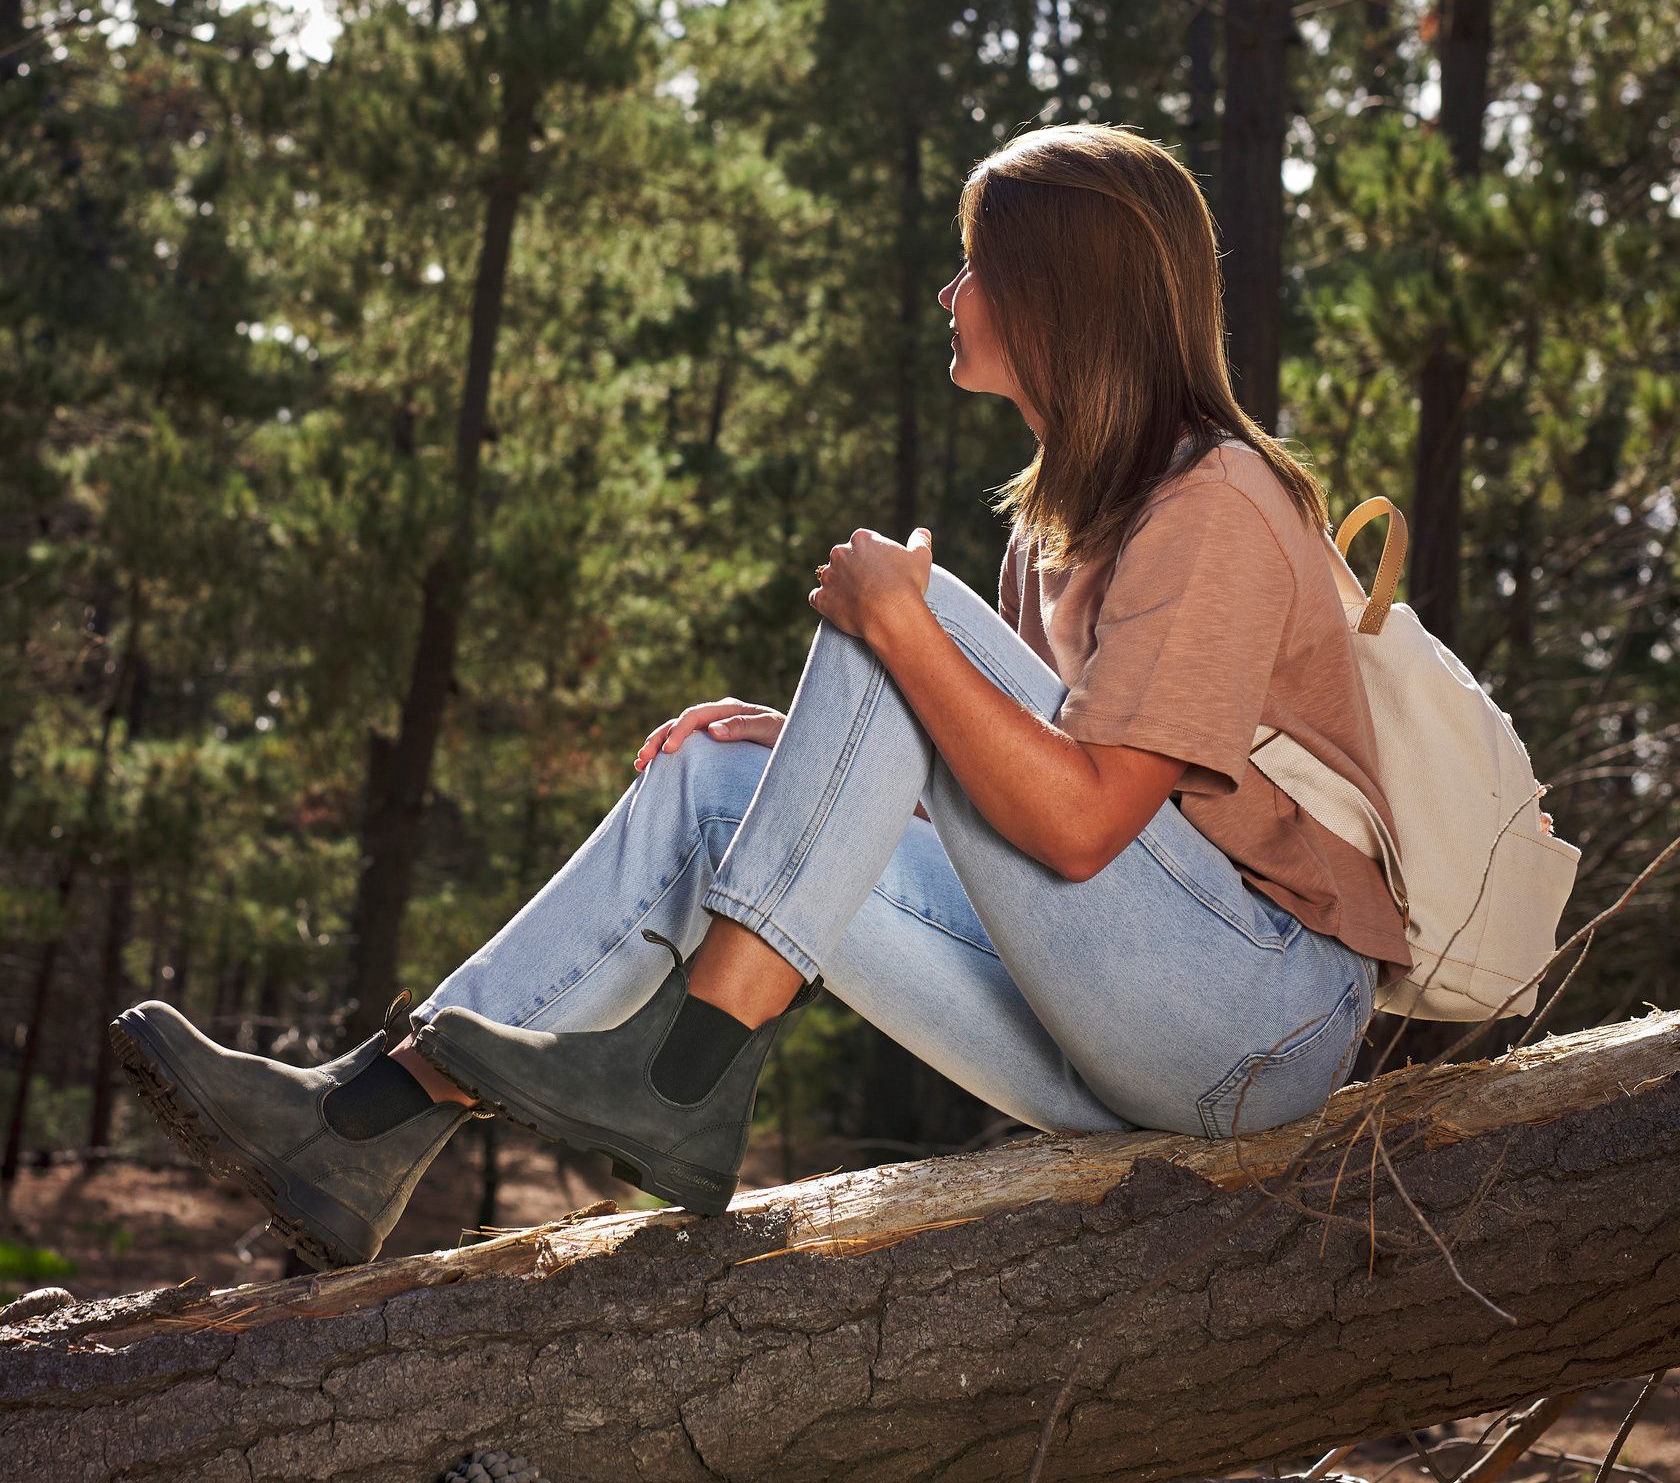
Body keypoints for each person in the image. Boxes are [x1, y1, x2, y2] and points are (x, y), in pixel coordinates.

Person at [111, 125, 1409, 1273]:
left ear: (1058, 295)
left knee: (898, 600)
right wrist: (817, 756)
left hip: (1261, 1024)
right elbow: (1018, 805)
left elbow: (1079, 830)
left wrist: (900, 635)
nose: (952, 293)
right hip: (1119, 1014)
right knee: (713, 786)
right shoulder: (1056, 539)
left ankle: (696, 1067)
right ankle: (362, 1128)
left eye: (978, 266)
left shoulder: (1217, 504)